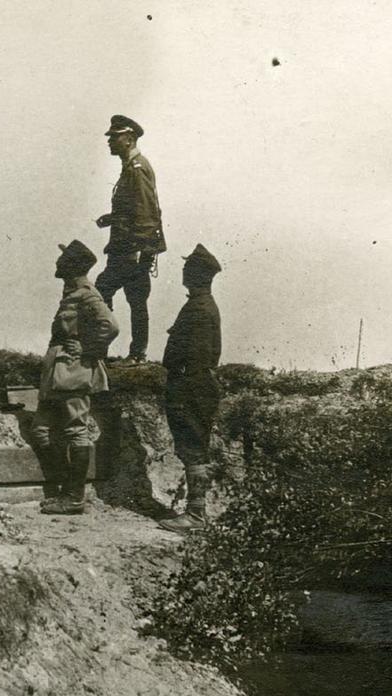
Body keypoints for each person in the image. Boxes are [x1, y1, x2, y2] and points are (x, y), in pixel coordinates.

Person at [32, 240, 119, 515]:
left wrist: (89, 348)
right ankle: (63, 490)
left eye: (63, 259)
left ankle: (74, 497)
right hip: (58, 371)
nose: (58, 263)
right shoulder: (72, 293)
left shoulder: (86, 294)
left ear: (72, 266)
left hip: (73, 371)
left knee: (75, 430)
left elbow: (111, 325)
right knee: (41, 430)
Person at [158, 243, 223, 534]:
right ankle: (196, 512)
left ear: (195, 274)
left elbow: (194, 355)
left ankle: (196, 516)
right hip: (197, 385)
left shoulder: (198, 308)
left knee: (193, 448)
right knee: (195, 448)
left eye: (187, 268)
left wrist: (179, 380)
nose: (183, 271)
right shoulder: (203, 305)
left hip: (190, 386)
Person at [94, 115, 165, 365]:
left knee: (103, 292)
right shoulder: (131, 167)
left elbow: (146, 212)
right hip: (126, 248)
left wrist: (140, 253)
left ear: (129, 139)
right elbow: (134, 209)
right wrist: (112, 218)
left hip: (129, 250)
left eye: (115, 137)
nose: (110, 141)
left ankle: (113, 352)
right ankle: (135, 353)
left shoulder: (137, 169)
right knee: (134, 299)